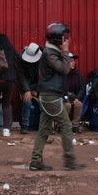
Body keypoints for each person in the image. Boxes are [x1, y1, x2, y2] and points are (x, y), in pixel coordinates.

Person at [29, 23, 84, 171]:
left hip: (49, 96)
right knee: (66, 126)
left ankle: (35, 161)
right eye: (64, 38)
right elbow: (65, 69)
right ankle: (70, 161)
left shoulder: (51, 51)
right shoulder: (50, 53)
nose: (67, 40)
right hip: (51, 97)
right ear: (57, 40)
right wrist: (66, 52)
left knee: (44, 130)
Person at [19, 42, 42, 134]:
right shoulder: (21, 60)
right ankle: (24, 126)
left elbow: (42, 77)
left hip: (38, 87)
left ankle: (44, 127)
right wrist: (27, 90)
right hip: (25, 87)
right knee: (27, 101)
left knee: (45, 102)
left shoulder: (41, 60)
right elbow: (21, 77)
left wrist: (36, 90)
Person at [64, 53, 84, 133]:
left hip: (74, 97)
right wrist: (66, 98)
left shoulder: (77, 74)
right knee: (67, 105)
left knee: (79, 104)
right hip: (64, 98)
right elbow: (58, 89)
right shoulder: (61, 74)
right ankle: (63, 125)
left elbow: (82, 89)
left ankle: (74, 125)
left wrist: (77, 98)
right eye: (70, 61)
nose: (73, 62)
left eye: (73, 61)